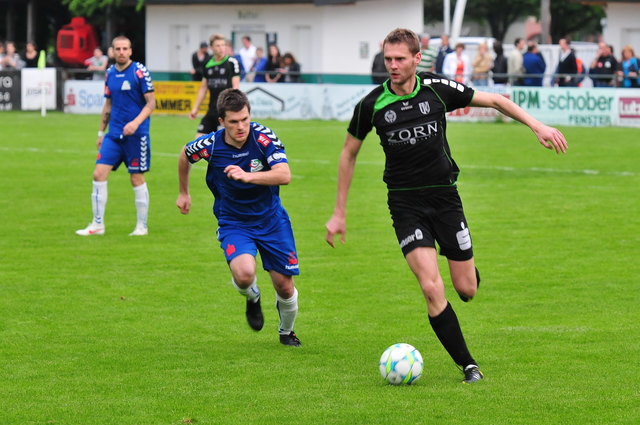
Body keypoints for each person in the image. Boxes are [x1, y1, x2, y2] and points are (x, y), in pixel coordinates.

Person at [325, 28, 568, 384]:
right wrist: (339, 212)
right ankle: (469, 365)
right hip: (405, 205)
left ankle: (461, 263)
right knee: (431, 287)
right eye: (388, 59)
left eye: (399, 59)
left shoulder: (437, 89)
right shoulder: (372, 104)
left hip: (445, 200)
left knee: (466, 289)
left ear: (416, 58)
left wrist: (537, 125)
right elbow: (349, 153)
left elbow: (497, 100)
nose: (392, 66)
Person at [177, 88, 302, 347]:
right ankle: (252, 297)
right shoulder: (211, 145)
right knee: (244, 274)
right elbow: (184, 155)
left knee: (285, 287)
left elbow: (284, 175)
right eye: (233, 122)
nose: (241, 126)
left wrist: (248, 176)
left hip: (271, 220)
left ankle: (286, 332)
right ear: (221, 122)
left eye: (245, 119)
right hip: (234, 222)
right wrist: (183, 192)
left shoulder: (264, 137)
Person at [76, 35, 156, 237]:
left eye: (125, 48)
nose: (121, 52)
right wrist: (101, 132)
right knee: (98, 175)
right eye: (117, 49)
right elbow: (108, 104)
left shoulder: (139, 71)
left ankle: (141, 226)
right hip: (113, 135)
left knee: (136, 178)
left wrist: (135, 123)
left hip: (137, 135)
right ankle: (97, 224)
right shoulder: (110, 73)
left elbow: (151, 103)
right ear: (112, 51)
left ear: (130, 51)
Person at [189, 34, 241, 138]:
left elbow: (235, 88)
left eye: (223, 45)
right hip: (211, 111)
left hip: (225, 113)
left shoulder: (232, 63)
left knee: (224, 148)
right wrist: (195, 108)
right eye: (218, 45)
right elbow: (203, 88)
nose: (221, 48)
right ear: (211, 47)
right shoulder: (207, 64)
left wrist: (232, 110)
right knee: (197, 143)